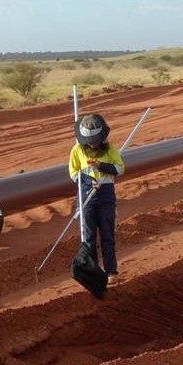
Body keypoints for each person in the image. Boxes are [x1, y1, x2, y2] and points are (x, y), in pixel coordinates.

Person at [68, 113, 125, 288]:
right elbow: (73, 173)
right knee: (88, 237)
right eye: (90, 141)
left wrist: (101, 166)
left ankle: (111, 272)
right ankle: (93, 274)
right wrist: (87, 180)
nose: (93, 143)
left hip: (106, 196)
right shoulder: (77, 150)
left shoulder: (110, 150)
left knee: (107, 235)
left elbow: (120, 169)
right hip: (86, 196)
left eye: (96, 140)